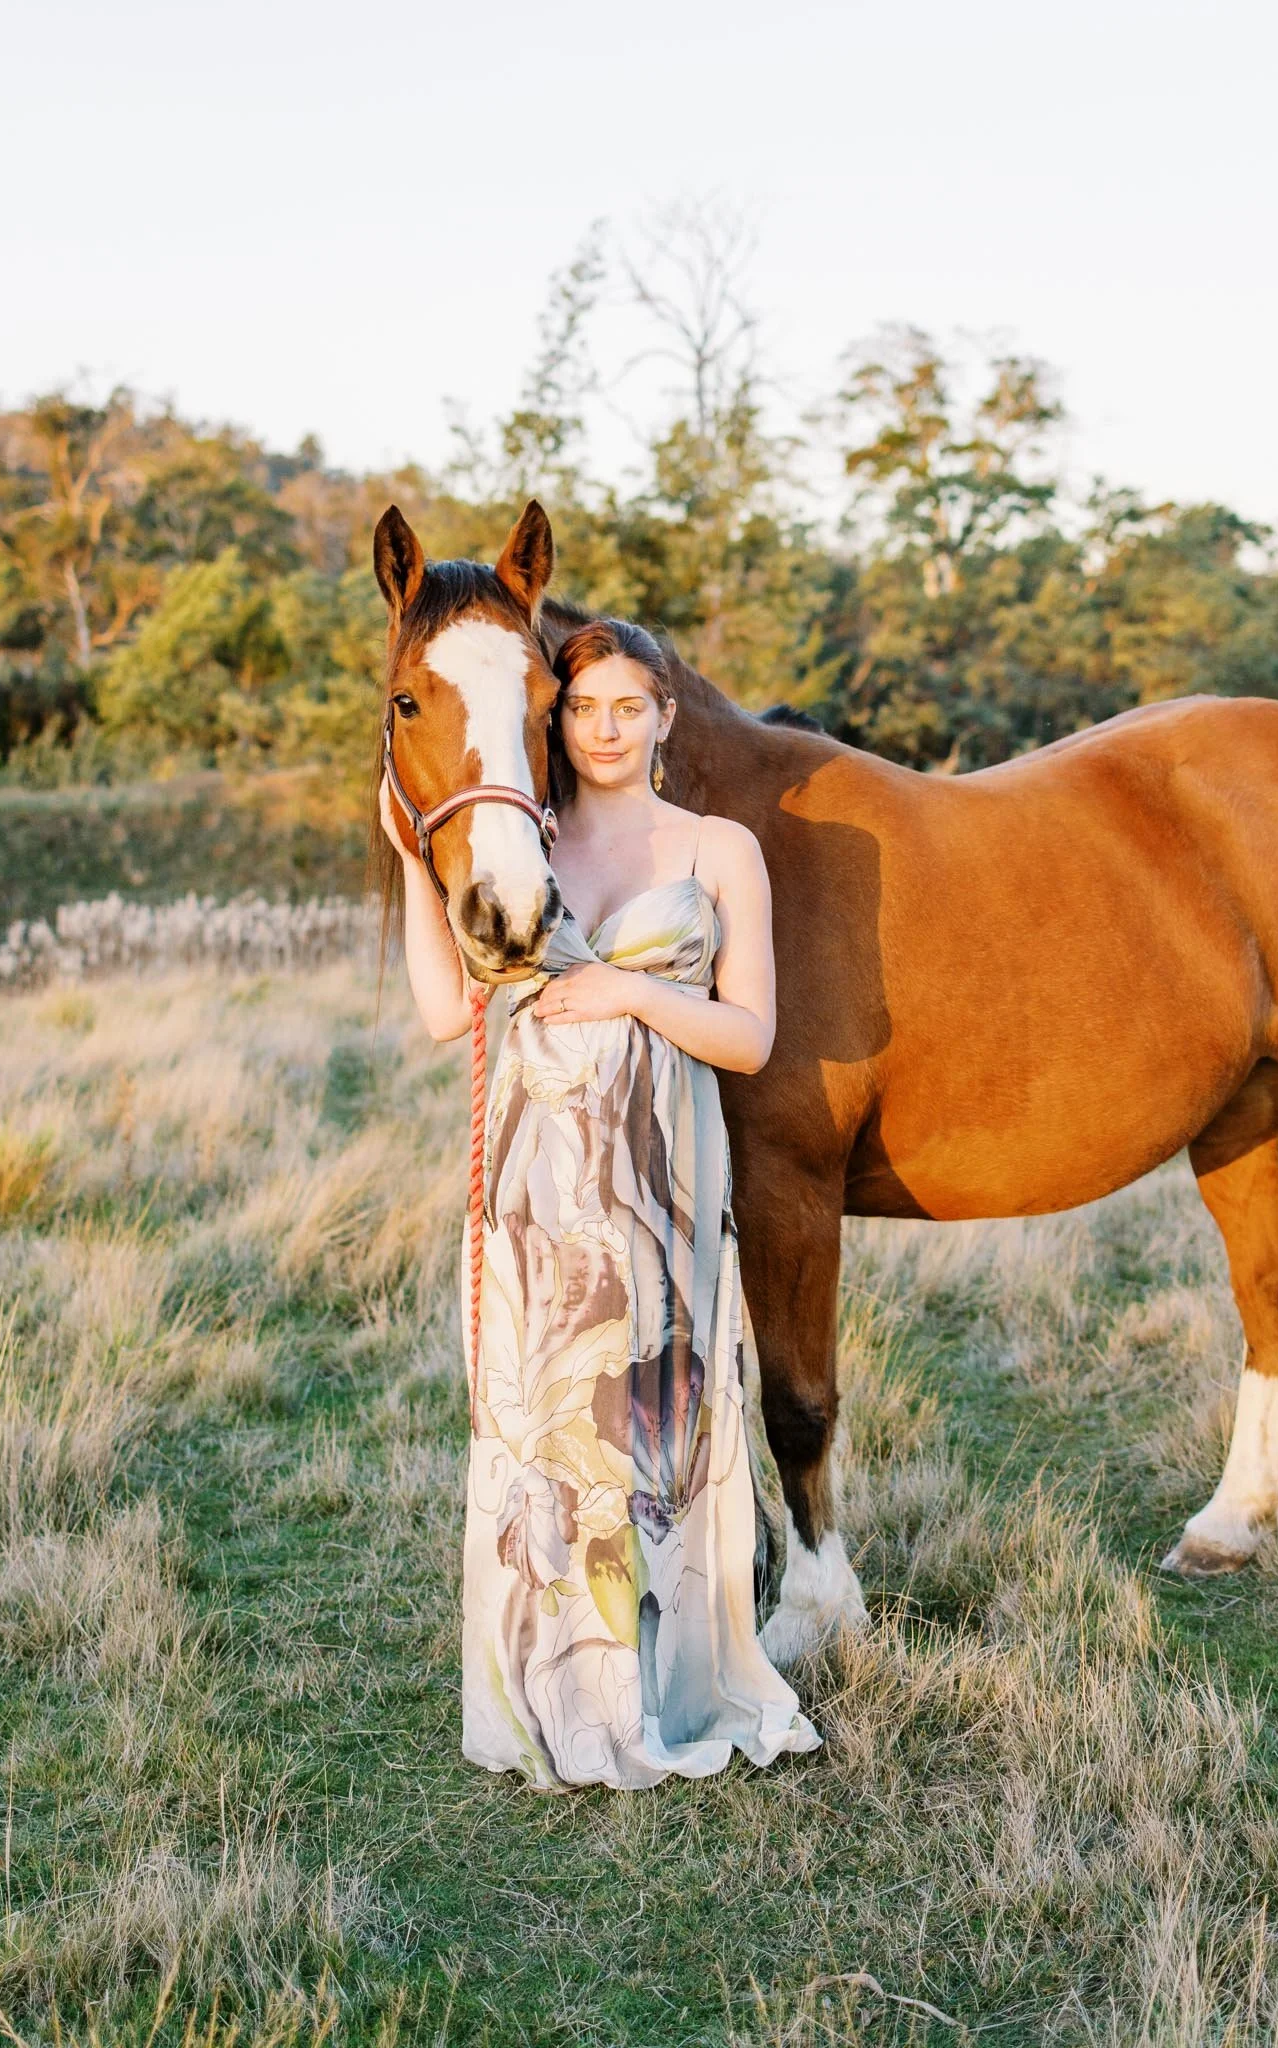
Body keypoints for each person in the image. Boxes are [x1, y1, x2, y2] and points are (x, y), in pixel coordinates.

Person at [397, 614, 821, 1791]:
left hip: (663, 1190)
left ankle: (662, 1684)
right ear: (556, 722)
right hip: (537, 1192)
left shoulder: (718, 848)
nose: (603, 730)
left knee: (652, 1425)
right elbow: (447, 1015)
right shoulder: (521, 843)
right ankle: (554, 1692)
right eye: (581, 711)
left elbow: (747, 1038)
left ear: (666, 716)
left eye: (628, 707)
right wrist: (405, 854)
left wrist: (623, 989)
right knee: (550, 1436)